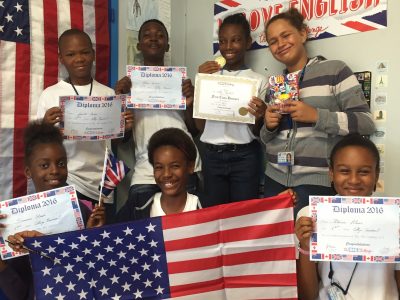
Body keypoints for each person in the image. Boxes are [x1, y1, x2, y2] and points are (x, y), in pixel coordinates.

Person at [261, 8, 375, 217]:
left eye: (286, 35)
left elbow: (365, 123)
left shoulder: (335, 70)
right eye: (273, 41)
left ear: (303, 34)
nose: (280, 44)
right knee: (278, 247)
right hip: (274, 180)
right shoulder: (275, 85)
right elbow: (268, 138)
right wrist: (268, 125)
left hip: (316, 182)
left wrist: (317, 116)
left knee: (309, 245)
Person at [0, 121, 106, 300]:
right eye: (44, 165)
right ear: (28, 171)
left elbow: (95, 271)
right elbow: (17, 292)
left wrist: (93, 234)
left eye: (61, 163)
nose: (55, 170)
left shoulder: (83, 211)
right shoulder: (11, 219)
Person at [295, 134, 400, 299]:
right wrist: (306, 246)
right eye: (344, 171)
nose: (353, 180)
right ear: (331, 173)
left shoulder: (394, 218)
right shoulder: (310, 215)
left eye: (364, 172)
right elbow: (306, 295)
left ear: (376, 175)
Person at [37, 28, 133, 205]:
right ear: (61, 59)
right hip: (66, 179)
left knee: (100, 232)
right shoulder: (49, 95)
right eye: (71, 54)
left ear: (93, 54)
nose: (79, 59)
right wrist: (45, 126)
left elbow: (113, 142)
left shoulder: (108, 93)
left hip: (103, 184)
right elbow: (37, 146)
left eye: (85, 52)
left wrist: (125, 129)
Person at [114, 19, 201, 209]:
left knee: (186, 231)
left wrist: (190, 100)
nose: (154, 39)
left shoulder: (181, 83)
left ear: (167, 46)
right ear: (139, 45)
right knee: (145, 232)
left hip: (182, 165)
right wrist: (119, 97)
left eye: (160, 35)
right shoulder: (129, 85)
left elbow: (194, 130)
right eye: (147, 35)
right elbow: (124, 138)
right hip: (147, 169)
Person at [196, 13, 268, 206]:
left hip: (245, 156)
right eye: (223, 41)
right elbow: (200, 126)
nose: (228, 47)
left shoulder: (259, 80)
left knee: (243, 216)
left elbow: (257, 131)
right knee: (214, 215)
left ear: (248, 43)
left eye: (236, 40)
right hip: (212, 156)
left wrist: (260, 116)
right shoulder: (208, 74)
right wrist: (201, 82)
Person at [116, 128, 201, 221]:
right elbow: (113, 232)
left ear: (191, 166)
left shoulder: (206, 207)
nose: (167, 174)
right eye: (159, 167)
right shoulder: (137, 205)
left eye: (175, 166)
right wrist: (99, 227)